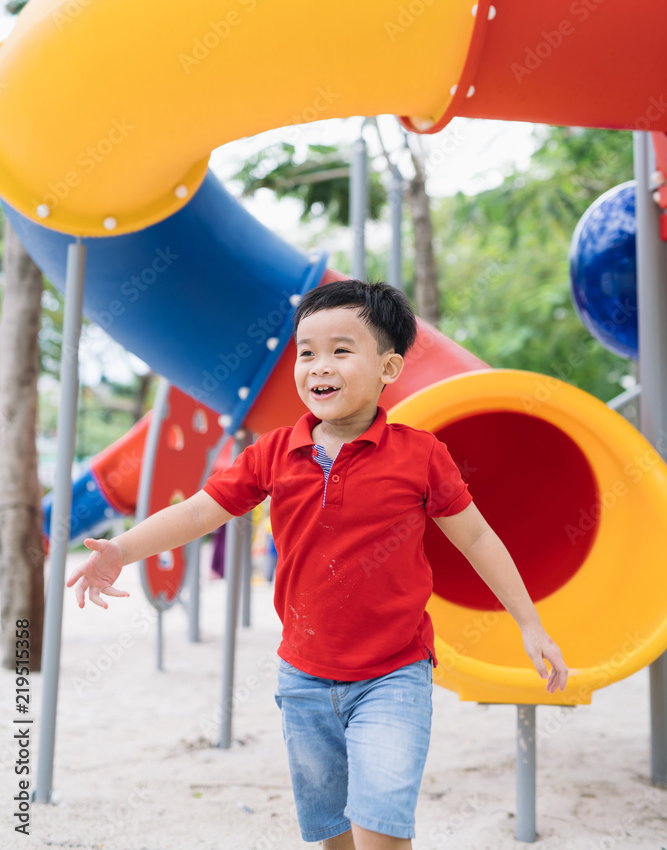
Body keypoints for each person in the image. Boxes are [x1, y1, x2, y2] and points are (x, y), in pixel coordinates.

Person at [68, 279, 568, 850]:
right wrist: (122, 549)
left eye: (341, 350)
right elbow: (202, 511)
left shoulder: (420, 455)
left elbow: (477, 538)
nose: (319, 365)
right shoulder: (275, 453)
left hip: (394, 675)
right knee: (333, 835)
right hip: (304, 679)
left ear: (389, 367)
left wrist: (530, 623)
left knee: (380, 827)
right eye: (307, 352)